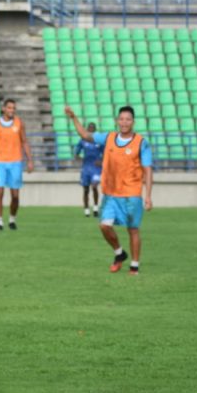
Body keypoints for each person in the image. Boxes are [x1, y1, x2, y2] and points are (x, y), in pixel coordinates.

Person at [65, 105, 154, 275]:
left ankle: (134, 265)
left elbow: (148, 170)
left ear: (133, 122)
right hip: (111, 193)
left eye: (128, 119)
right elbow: (85, 135)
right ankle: (119, 253)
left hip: (131, 194)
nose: (124, 122)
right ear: (117, 121)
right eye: (121, 119)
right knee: (104, 226)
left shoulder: (141, 143)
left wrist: (148, 196)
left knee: (133, 229)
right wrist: (73, 117)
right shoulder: (109, 137)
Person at [0, 99, 34, 231]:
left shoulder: (19, 123)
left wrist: (30, 160)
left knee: (15, 195)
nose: (11, 110)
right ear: (3, 108)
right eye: (9, 108)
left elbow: (24, 141)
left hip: (15, 162)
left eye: (13, 108)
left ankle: (12, 218)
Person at [74, 122, 103, 217]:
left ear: (95, 130)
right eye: (89, 128)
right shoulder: (83, 140)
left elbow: (107, 152)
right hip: (86, 167)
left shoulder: (99, 141)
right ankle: (86, 209)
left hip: (96, 168)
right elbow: (76, 152)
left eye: (92, 128)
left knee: (94, 186)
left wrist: (102, 161)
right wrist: (80, 158)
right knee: (86, 189)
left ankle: (95, 208)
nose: (91, 130)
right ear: (87, 129)